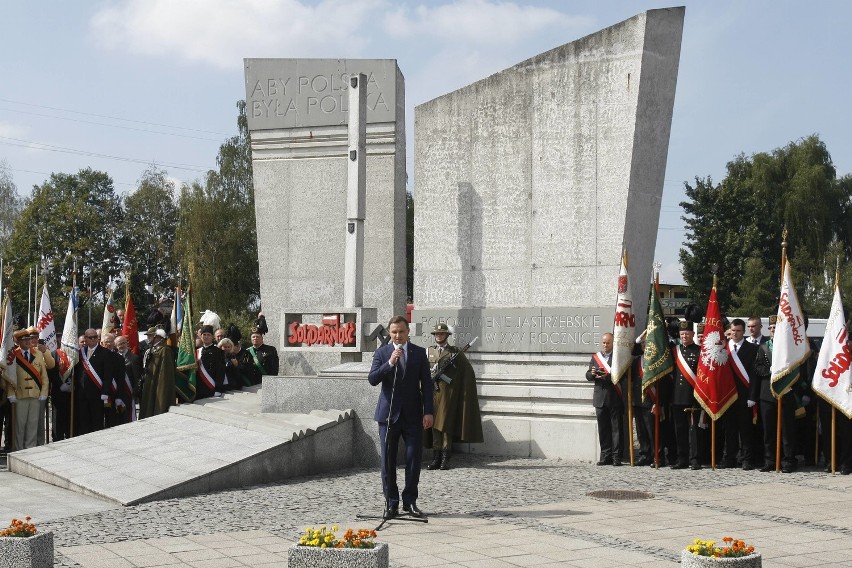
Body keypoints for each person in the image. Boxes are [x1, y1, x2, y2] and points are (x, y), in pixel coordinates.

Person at [368, 315, 434, 520]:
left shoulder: (419, 353)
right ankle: (391, 503)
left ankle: (410, 501)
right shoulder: (382, 352)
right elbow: (372, 379)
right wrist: (389, 363)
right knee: (388, 461)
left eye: (401, 331)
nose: (398, 335)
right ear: (390, 332)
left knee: (413, 459)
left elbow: (427, 384)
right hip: (388, 416)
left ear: (408, 332)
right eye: (394, 332)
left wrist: (428, 411)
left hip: (413, 415)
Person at [424, 323, 483, 471]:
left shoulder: (454, 352)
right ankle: (436, 457)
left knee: (445, 425)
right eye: (437, 334)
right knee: (434, 425)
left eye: (442, 334)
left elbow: (467, 372)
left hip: (447, 394)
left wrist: (457, 386)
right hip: (432, 392)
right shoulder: (428, 351)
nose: (439, 336)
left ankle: (445, 458)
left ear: (447, 336)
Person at [753, 315, 799, 473]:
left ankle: (788, 461)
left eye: (775, 328)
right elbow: (757, 368)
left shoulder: (789, 348)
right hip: (767, 394)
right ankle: (770, 460)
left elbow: (796, 368)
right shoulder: (764, 347)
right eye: (771, 328)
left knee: (787, 430)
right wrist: (769, 371)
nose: (773, 331)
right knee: (769, 431)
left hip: (786, 392)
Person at [719, 318, 760, 470]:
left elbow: (755, 375)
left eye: (738, 331)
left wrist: (752, 396)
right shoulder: (725, 348)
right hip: (728, 396)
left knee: (745, 430)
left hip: (745, 396)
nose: (735, 333)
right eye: (732, 330)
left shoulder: (752, 349)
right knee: (729, 430)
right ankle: (729, 458)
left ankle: (746, 459)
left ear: (744, 332)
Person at [7, 328, 50, 449]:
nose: (27, 342)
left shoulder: (38, 354)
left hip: (35, 395)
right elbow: (9, 377)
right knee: (20, 425)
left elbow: (44, 377)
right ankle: (19, 449)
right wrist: (11, 393)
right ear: (18, 342)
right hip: (20, 395)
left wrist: (44, 393)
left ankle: (30, 449)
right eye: (24, 340)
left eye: (29, 339)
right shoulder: (13, 356)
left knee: (33, 424)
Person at [586, 332, 623, 466]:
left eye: (608, 343)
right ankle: (605, 456)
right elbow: (588, 374)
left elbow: (620, 376)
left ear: (612, 343)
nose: (605, 345)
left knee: (616, 429)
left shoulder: (617, 357)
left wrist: (607, 376)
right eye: (603, 342)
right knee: (603, 429)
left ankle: (616, 457)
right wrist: (593, 373)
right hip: (600, 398)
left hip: (614, 397)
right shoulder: (596, 357)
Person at [74, 328, 119, 435]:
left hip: (97, 393)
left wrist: (105, 392)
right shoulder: (80, 353)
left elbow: (108, 374)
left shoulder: (105, 353)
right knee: (84, 420)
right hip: (82, 393)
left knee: (97, 421)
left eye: (96, 337)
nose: (94, 339)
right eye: (91, 337)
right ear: (85, 338)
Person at [671, 321, 701, 470]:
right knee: (679, 430)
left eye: (687, 333)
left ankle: (694, 459)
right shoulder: (674, 351)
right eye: (682, 334)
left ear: (693, 335)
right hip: (677, 397)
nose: (684, 336)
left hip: (693, 396)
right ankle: (682, 459)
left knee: (693, 431)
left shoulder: (699, 351)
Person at [140, 327, 176, 419]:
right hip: (149, 381)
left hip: (158, 381)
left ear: (158, 337)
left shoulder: (164, 350)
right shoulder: (149, 350)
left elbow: (165, 371)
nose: (148, 338)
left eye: (150, 336)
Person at [115, 335, 142, 422]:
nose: (121, 345)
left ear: (127, 343)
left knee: (129, 415)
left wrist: (135, 391)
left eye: (123, 343)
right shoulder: (114, 358)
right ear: (116, 346)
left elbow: (136, 376)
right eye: (119, 344)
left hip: (129, 392)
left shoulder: (134, 358)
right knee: (119, 414)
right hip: (117, 391)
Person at [196, 325, 225, 399]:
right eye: (204, 335)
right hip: (199, 388)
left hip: (211, 388)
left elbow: (220, 372)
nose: (206, 337)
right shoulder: (197, 351)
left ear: (212, 337)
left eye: (208, 335)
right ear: (201, 336)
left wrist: (218, 389)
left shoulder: (218, 352)